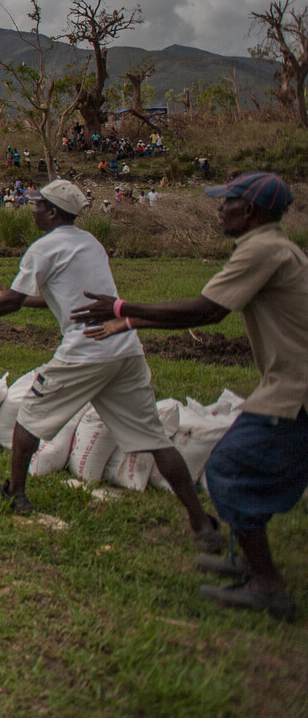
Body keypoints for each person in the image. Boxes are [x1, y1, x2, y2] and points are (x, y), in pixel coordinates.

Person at [0, 179, 221, 551]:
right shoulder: (91, 244)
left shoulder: (43, 249)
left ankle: (16, 492)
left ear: (53, 212)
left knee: (28, 417)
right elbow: (62, 297)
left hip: (85, 352)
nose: (32, 209)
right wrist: (14, 298)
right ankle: (201, 524)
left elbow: (12, 304)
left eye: (37, 205)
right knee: (155, 439)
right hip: (125, 350)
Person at [71, 172, 305, 622]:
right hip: (289, 384)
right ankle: (245, 560)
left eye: (227, 202)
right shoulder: (276, 246)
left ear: (250, 211)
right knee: (241, 469)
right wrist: (132, 323)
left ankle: (268, 586)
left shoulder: (261, 250)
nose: (220, 209)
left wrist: (122, 307)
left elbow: (204, 311)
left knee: (230, 471)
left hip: (294, 390)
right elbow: (212, 313)